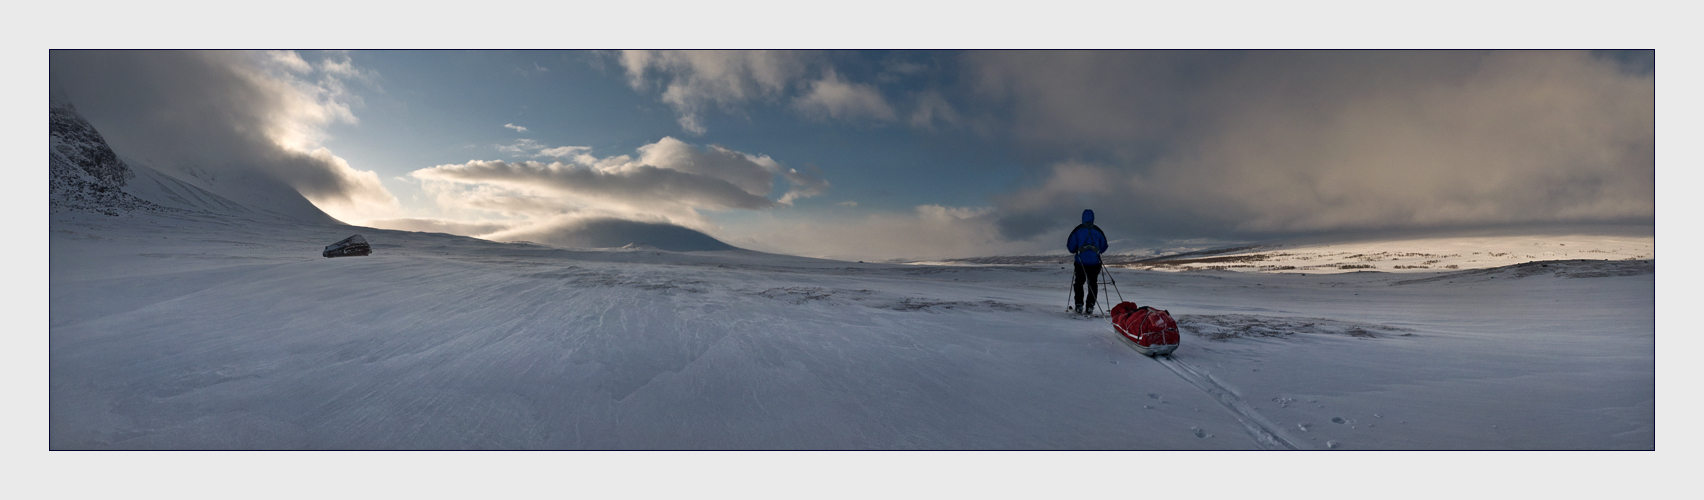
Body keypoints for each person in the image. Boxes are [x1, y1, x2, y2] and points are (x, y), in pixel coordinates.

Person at [1066, 209, 1109, 315]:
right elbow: (1104, 246)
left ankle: (1079, 305)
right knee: (1093, 283)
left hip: (1080, 262)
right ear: (1093, 218)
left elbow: (1071, 247)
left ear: (1083, 218)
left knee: (1079, 283)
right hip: (1094, 262)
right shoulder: (1098, 230)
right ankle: (1090, 306)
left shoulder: (1078, 230)